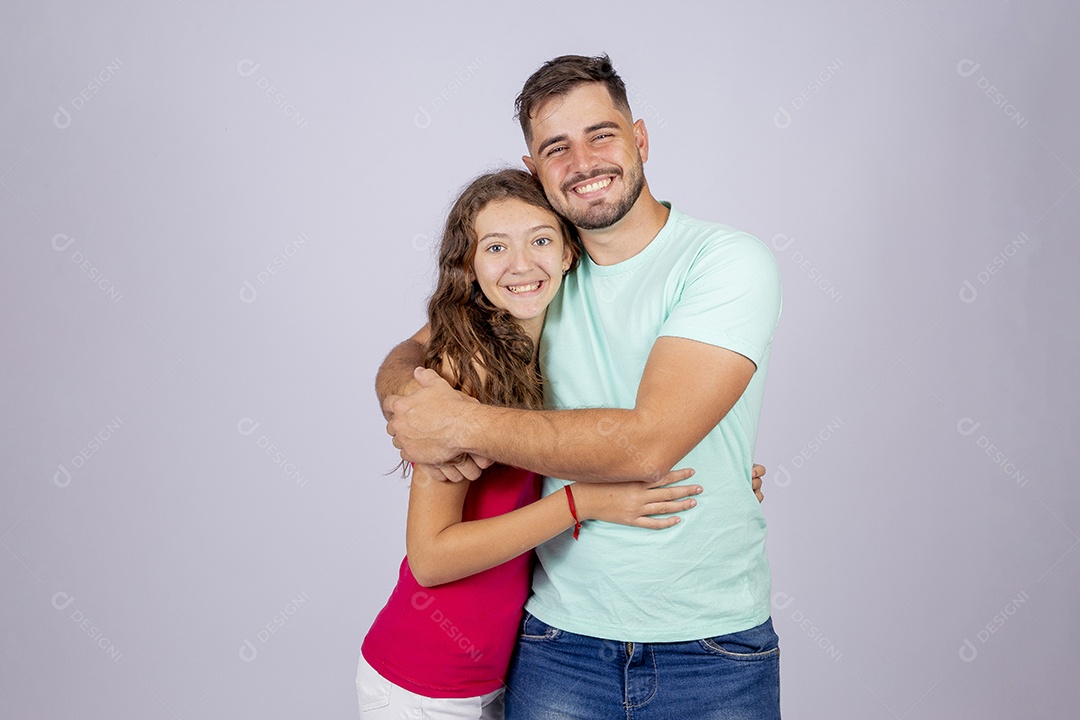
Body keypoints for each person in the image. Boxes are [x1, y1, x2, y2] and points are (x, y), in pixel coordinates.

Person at [379, 55, 784, 719]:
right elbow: (419, 350)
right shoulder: (538, 275)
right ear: (535, 167)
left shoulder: (724, 262)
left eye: (602, 135)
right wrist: (402, 398)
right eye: (556, 147)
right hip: (557, 644)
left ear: (640, 139)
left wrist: (454, 424)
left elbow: (648, 445)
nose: (585, 161)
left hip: (713, 648)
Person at [357, 168, 710, 719]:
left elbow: (616, 433)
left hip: (503, 673)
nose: (521, 265)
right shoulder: (462, 370)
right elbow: (430, 559)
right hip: (422, 682)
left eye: (540, 239)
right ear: (468, 267)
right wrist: (582, 502)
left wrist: (716, 465)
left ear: (569, 251)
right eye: (495, 247)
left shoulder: (554, 344)